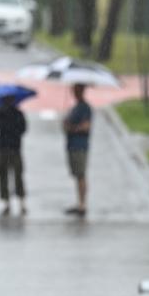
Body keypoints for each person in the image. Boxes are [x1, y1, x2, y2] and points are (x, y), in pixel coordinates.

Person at [0, 94, 28, 216]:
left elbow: (23, 129)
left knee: (17, 175)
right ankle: (7, 202)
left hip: (12, 147)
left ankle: (21, 202)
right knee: (4, 175)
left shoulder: (17, 114)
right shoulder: (0, 113)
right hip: (6, 147)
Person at [62, 83, 93, 218]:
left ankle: (82, 204)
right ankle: (79, 202)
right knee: (77, 175)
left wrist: (72, 128)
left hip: (80, 146)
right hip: (72, 145)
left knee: (81, 174)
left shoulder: (85, 108)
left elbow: (86, 127)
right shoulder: (74, 108)